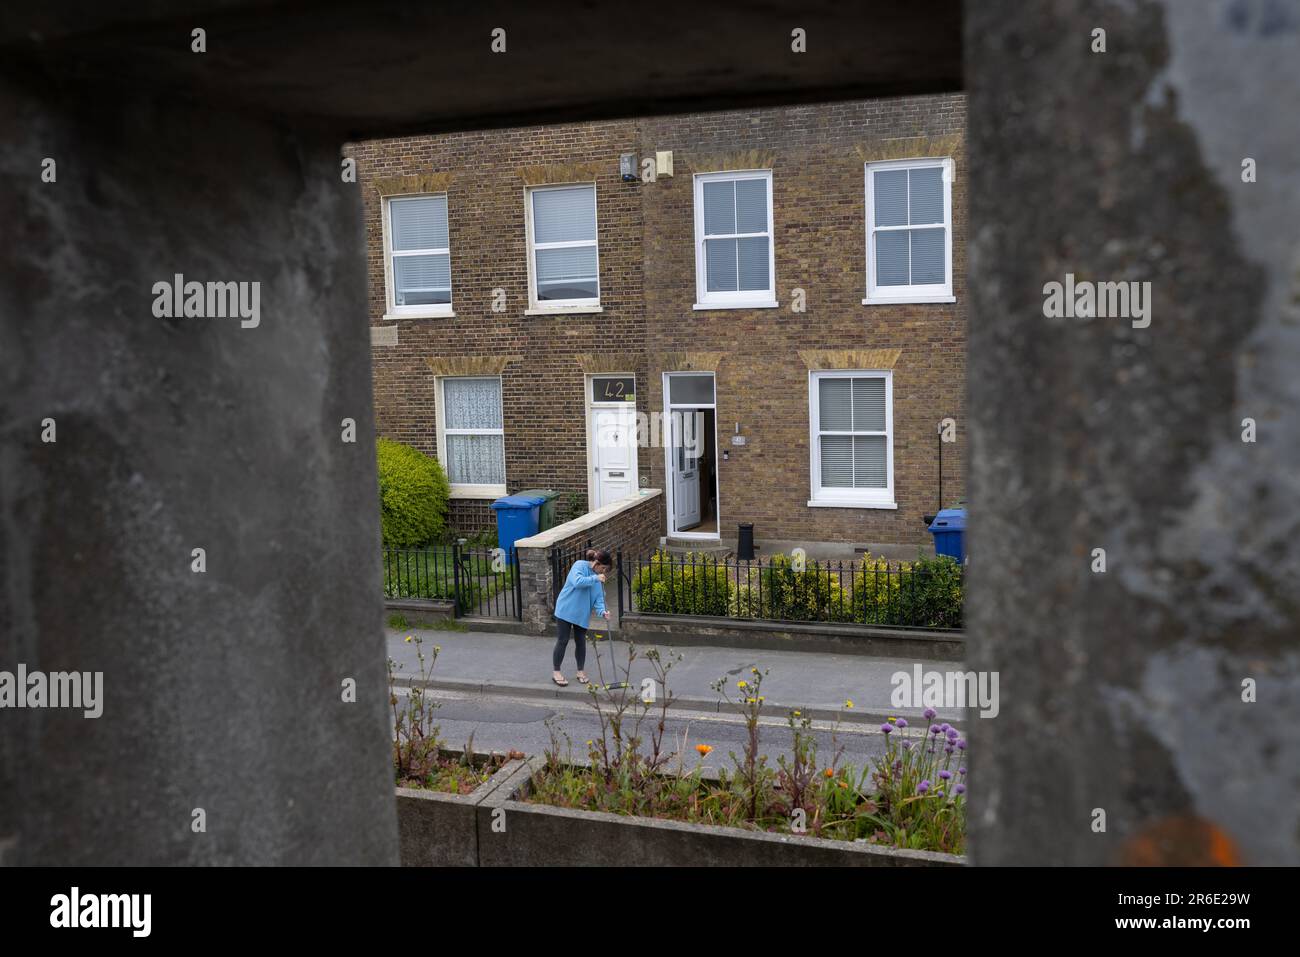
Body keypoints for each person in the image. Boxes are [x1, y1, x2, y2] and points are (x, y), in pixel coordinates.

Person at [551, 548, 612, 686]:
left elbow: (599, 599)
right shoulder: (579, 565)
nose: (603, 572)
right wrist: (595, 578)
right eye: (603, 568)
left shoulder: (599, 579)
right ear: (596, 563)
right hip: (566, 609)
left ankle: (580, 671)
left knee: (581, 642)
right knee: (563, 640)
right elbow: (577, 582)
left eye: (605, 570)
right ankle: (556, 672)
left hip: (581, 613)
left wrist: (603, 612)